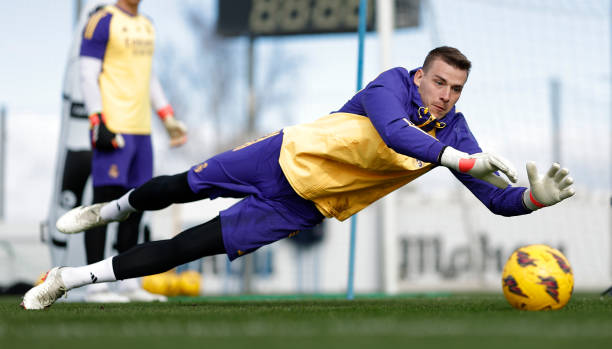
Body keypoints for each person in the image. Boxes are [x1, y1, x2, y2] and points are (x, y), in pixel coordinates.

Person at [21, 46, 575, 309]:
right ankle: (112, 209)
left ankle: (68, 278)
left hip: (300, 206)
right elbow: (393, 134)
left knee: (183, 248)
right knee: (179, 185)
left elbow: (498, 202)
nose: (446, 97)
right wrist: (458, 160)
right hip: (282, 154)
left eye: (456, 90)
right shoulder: (390, 85)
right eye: (439, 83)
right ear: (419, 74)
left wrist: (533, 199)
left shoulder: (456, 130)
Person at [76, 0, 187, 302]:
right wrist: (97, 118)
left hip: (142, 132)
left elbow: (148, 76)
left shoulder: (147, 25)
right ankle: (94, 284)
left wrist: (167, 116)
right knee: (103, 206)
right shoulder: (102, 21)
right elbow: (87, 73)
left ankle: (127, 281)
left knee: (135, 206)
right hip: (114, 126)